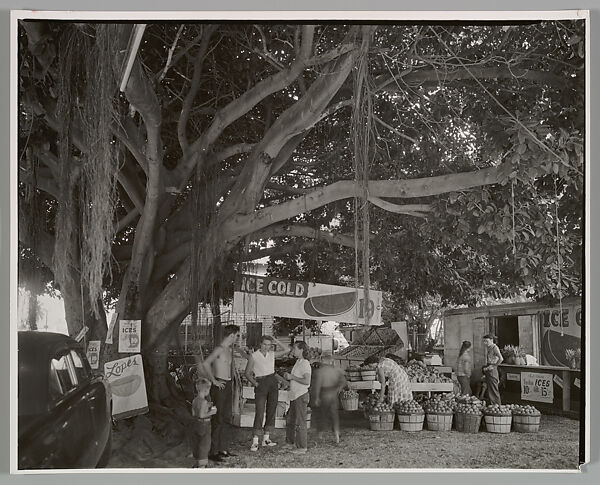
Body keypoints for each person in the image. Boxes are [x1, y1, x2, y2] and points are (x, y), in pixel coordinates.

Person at [201, 324, 241, 462]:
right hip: (220, 385)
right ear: (231, 335)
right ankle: (213, 451)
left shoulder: (229, 350)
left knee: (226, 417)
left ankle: (223, 448)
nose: (237, 338)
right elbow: (206, 363)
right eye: (237, 335)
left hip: (228, 384)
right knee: (217, 419)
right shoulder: (219, 349)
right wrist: (214, 381)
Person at [244, 335, 291, 451]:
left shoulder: (272, 354)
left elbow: (287, 350)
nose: (267, 347)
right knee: (260, 411)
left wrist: (276, 340)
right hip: (261, 382)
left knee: (271, 409)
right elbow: (247, 373)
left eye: (269, 345)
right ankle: (255, 440)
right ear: (260, 344)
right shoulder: (253, 356)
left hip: (272, 382)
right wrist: (255, 383)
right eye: (265, 344)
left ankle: (266, 438)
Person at [282, 341, 312, 454]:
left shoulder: (305, 364)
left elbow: (306, 381)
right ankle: (290, 443)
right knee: (290, 420)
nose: (293, 350)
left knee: (300, 422)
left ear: (301, 350)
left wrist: (292, 377)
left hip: (301, 396)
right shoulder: (298, 362)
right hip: (294, 396)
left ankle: (302, 447)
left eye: (295, 348)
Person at [312, 352, 346, 444]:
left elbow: (318, 385)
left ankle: (320, 435)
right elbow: (343, 381)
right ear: (331, 360)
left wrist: (316, 397)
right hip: (333, 394)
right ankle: (337, 436)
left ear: (322, 360)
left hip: (324, 393)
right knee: (334, 415)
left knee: (322, 415)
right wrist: (338, 389)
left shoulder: (320, 371)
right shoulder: (336, 370)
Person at [190, 378, 217, 468]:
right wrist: (211, 412)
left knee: (197, 442)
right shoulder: (204, 401)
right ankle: (202, 465)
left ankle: (197, 461)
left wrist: (206, 406)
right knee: (204, 444)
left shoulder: (194, 400)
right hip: (205, 424)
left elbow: (194, 413)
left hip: (196, 424)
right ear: (205, 390)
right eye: (209, 389)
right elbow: (202, 415)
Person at [482, 334, 504, 405]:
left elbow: (501, 359)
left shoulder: (495, 347)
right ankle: (493, 405)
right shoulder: (489, 347)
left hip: (492, 370)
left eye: (486, 341)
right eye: (484, 341)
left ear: (491, 340)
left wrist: (494, 366)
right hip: (489, 369)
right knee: (490, 390)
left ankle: (497, 405)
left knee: (493, 390)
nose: (485, 343)